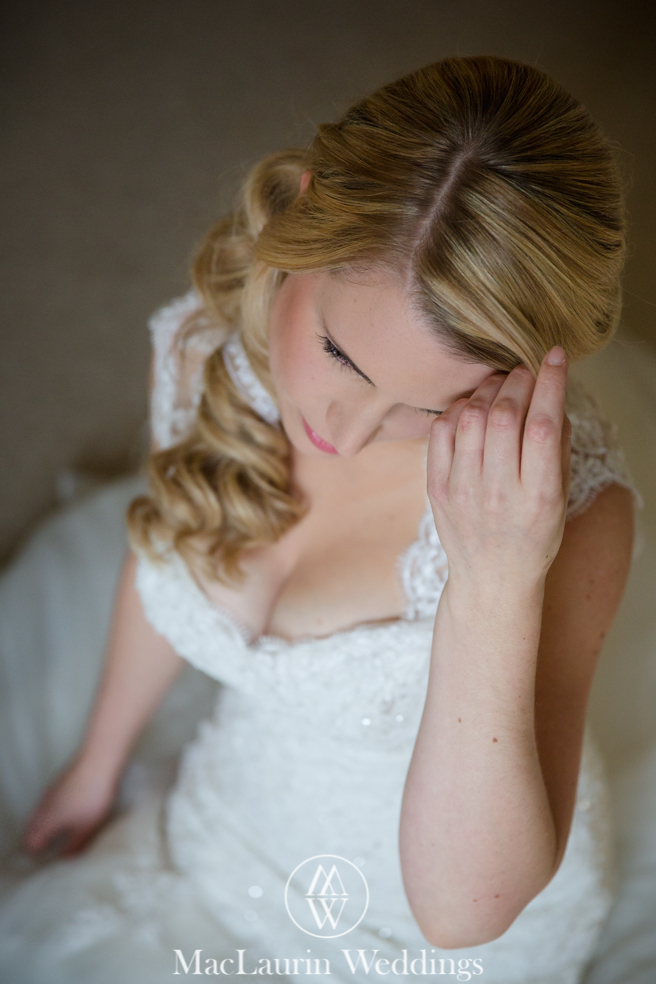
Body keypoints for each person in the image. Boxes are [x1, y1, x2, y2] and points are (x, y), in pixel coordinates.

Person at [0, 55, 645, 984]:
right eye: (341, 351)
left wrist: (495, 583)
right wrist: (98, 761)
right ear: (305, 209)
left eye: (426, 407)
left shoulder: (573, 515)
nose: (342, 428)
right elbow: (172, 553)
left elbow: (465, 915)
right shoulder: (203, 352)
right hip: (231, 829)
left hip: (424, 944)